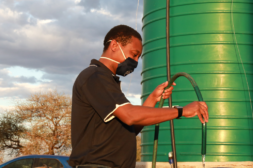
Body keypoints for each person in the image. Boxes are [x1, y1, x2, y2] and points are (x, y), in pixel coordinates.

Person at [68, 25, 208, 168]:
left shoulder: (108, 80)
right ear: (114, 45)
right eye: (134, 54)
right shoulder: (95, 76)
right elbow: (130, 115)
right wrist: (181, 111)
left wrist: (153, 98)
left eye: (138, 57)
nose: (135, 61)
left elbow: (129, 128)